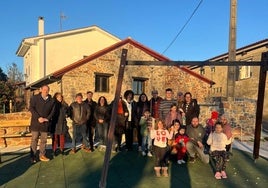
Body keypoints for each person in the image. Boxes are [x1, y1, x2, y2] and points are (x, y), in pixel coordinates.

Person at [29, 85, 55, 163]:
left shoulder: (52, 100)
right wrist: (38, 117)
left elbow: (53, 111)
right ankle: (32, 156)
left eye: (47, 90)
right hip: (36, 123)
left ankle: (42, 155)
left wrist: (47, 118)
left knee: (44, 140)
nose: (45, 91)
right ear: (41, 90)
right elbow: (31, 108)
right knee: (34, 140)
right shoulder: (35, 98)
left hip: (45, 124)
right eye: (44, 90)